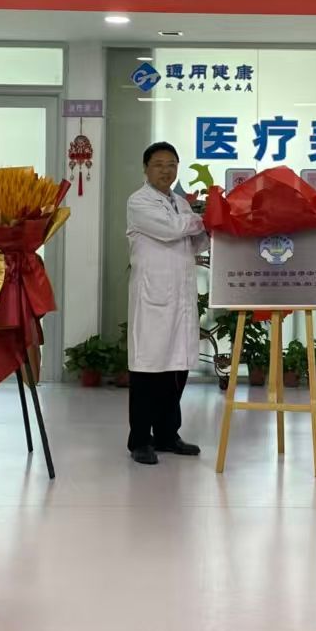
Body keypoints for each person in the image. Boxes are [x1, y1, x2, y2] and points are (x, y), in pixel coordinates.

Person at [125, 141, 207, 465]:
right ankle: (139, 441)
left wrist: (209, 228)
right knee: (148, 369)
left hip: (180, 297)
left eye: (172, 164)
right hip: (153, 298)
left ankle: (167, 435)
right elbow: (172, 230)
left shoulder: (181, 203)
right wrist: (204, 219)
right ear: (146, 169)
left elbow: (194, 243)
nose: (166, 170)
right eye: (159, 164)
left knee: (176, 369)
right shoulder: (139, 201)